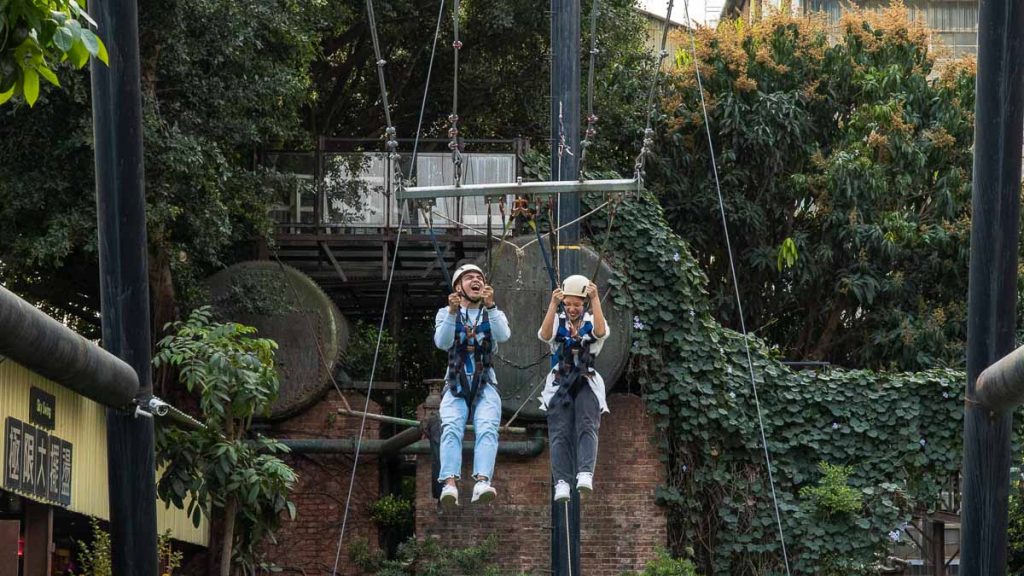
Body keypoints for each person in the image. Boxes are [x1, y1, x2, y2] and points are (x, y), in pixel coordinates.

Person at [434, 263, 511, 506]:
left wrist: (491, 306)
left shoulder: (492, 313)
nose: (476, 280)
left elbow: (503, 335)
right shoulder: (445, 313)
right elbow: (442, 342)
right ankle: (449, 483)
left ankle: (482, 481)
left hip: (485, 381)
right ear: (458, 287)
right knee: (451, 428)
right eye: (469, 278)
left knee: (488, 429)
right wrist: (452, 312)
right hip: (456, 382)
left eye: (479, 277)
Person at [537, 274, 609, 502]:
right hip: (561, 379)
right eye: (567, 304)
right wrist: (553, 305)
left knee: (587, 424)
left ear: (584, 304)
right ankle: (562, 481)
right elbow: (545, 335)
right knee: (559, 430)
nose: (572, 309)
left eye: (577, 304)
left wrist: (595, 300)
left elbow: (600, 332)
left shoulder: (591, 320)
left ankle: (585, 472)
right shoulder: (559, 321)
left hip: (586, 379)